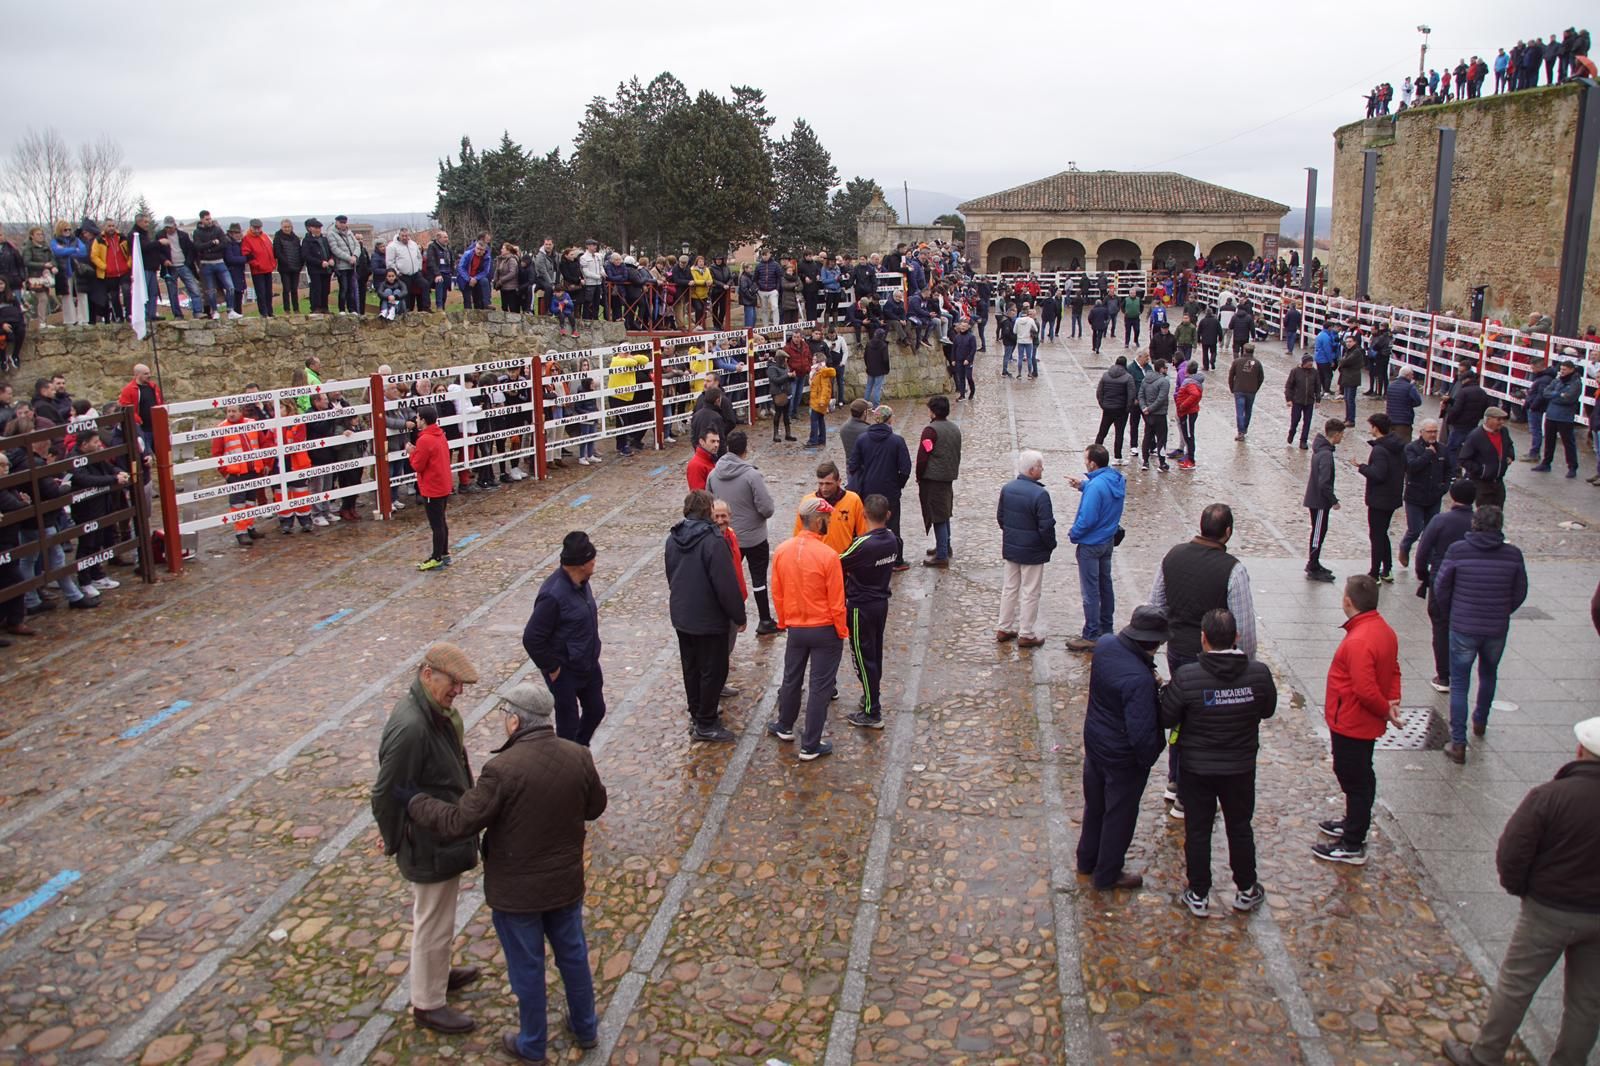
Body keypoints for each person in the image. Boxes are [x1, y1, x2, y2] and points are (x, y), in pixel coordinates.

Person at [403, 680, 607, 1062]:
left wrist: (415, 802)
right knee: (574, 958)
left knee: (527, 968)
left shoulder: (501, 769)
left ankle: (532, 1044)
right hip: (565, 884)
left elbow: (458, 822)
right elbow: (595, 807)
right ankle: (585, 1027)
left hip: (518, 894)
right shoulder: (578, 755)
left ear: (514, 722)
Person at [1439, 716, 1600, 1066]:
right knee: (1587, 1001)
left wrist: (1521, 888)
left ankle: (1485, 1054)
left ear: (1579, 751)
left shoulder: (1550, 796)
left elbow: (1513, 851)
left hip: (1548, 909)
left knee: (1516, 985)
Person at [370, 642, 484, 1035]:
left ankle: (437, 973)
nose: (459, 691)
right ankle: (428, 1002)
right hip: (427, 837)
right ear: (427, 675)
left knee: (440, 916)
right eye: (453, 683)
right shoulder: (413, 726)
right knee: (432, 920)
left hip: (439, 833)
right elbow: (385, 791)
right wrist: (392, 838)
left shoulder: (434, 712)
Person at [1160, 608, 1277, 917]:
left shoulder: (1187, 676)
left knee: (1197, 830)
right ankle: (1246, 888)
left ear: (1204, 639)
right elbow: (1267, 710)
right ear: (1236, 637)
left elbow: (1166, 716)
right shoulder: (1259, 674)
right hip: (1240, 767)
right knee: (1239, 827)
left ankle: (1198, 893)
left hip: (1197, 768)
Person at [1146, 503, 1258, 813]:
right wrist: (1244, 662)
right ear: (1228, 532)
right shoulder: (1233, 569)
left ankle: (1174, 778)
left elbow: (1156, 604)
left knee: (1181, 713)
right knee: (1203, 722)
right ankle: (1186, 789)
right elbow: (1244, 623)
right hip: (1214, 657)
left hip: (1179, 649)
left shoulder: (1173, 556)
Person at [1076, 605, 1171, 890]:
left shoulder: (1105, 645)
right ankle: (1107, 874)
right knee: (1119, 815)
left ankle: (1086, 860)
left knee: (1095, 807)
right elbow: (1140, 733)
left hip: (1096, 745)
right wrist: (1147, 759)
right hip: (1122, 758)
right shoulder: (1139, 681)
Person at [1313, 576, 1401, 866]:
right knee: (1360, 774)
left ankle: (1352, 841)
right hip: (1357, 720)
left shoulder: (1360, 640)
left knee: (1354, 777)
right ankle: (1353, 823)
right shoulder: (1383, 631)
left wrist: (1385, 709)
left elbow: (1364, 690)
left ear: (1348, 602)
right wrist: (1392, 701)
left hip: (1352, 721)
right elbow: (1393, 670)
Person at [1433, 505, 1528, 763]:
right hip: (1495, 627)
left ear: (1474, 524)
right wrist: (1502, 609)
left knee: (1460, 684)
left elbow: (1441, 587)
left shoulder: (1458, 550)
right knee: (1488, 674)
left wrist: (1453, 611)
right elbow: (1520, 591)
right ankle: (1481, 720)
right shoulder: (1512, 555)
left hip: (1464, 625)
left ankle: (1459, 743)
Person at [767, 495, 849, 761]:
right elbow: (837, 600)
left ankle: (785, 725)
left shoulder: (782, 550)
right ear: (817, 520)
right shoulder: (828, 555)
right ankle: (810, 743)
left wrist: (783, 621)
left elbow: (777, 592)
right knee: (819, 687)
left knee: (792, 678)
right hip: (824, 628)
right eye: (826, 519)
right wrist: (842, 630)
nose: (829, 523)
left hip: (796, 627)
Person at [665, 490, 746, 743]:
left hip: (682, 614)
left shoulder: (673, 538)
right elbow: (725, 584)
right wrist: (738, 614)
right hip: (709, 619)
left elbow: (671, 573)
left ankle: (697, 714)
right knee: (713, 670)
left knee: (691, 668)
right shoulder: (713, 541)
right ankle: (707, 722)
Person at [522, 532, 606, 746]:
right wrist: (552, 667)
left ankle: (578, 749)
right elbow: (532, 638)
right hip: (565, 670)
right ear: (581, 564)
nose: (595, 562)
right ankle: (568, 761)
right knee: (567, 725)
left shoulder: (583, 582)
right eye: (591, 559)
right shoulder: (553, 596)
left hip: (587, 663)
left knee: (596, 709)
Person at [706, 430, 779, 636]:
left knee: (726, 578)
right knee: (758, 579)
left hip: (726, 536)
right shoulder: (751, 475)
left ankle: (724, 617)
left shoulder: (713, 474)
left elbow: (709, 503)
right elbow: (767, 508)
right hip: (753, 536)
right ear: (745, 449)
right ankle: (764, 619)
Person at [840, 493, 899, 729]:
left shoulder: (864, 544)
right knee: (875, 653)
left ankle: (872, 711)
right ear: (888, 515)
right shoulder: (892, 540)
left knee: (862, 657)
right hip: (880, 603)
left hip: (860, 605)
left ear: (864, 515)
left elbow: (838, 560)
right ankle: (871, 694)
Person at [1064, 444, 1126, 652]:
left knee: (1090, 591)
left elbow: (1087, 519)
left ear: (1092, 463)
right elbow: (1103, 494)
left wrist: (1074, 534)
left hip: (1091, 544)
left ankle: (1091, 634)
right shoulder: (1116, 480)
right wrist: (1082, 485)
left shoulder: (1095, 487)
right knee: (1105, 585)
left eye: (1086, 460)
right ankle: (1106, 629)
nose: (1085, 463)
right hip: (1107, 541)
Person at [995, 449, 1057, 649]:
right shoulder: (1040, 494)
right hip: (1033, 550)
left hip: (1012, 547)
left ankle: (1004, 626)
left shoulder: (1008, 488)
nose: (1042, 469)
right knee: (1030, 591)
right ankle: (1026, 633)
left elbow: (1001, 518)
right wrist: (1050, 545)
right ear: (1032, 470)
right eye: (1040, 466)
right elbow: (1046, 526)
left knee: (1010, 588)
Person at [848, 405, 912, 570]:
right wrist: (898, 484)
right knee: (893, 524)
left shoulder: (862, 439)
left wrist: (863, 477)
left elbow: (853, 464)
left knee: (869, 524)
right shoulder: (897, 441)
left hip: (868, 489)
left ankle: (870, 558)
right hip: (890, 489)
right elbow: (905, 468)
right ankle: (896, 560)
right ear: (889, 419)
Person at [1356, 413, 1406, 583]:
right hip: (1392, 496)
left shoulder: (1379, 450)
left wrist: (1361, 467)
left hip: (1379, 499)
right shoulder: (1397, 446)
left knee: (1376, 535)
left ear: (1376, 428)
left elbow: (1378, 474)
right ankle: (1387, 569)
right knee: (1383, 533)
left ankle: (1375, 572)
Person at [916, 396, 962, 567]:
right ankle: (945, 546)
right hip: (948, 476)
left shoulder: (931, 431)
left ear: (933, 412)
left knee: (938, 516)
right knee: (944, 512)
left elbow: (923, 456)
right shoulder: (954, 428)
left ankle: (942, 554)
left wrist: (919, 476)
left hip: (933, 479)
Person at [406, 406, 453, 571]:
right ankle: (445, 553)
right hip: (443, 483)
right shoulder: (439, 435)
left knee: (436, 524)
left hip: (432, 487)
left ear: (423, 420)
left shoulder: (424, 439)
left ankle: (436, 556)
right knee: (441, 520)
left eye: (418, 418)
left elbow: (418, 465)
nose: (416, 420)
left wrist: (411, 453)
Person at [1398, 420, 1450, 569]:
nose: (1433, 434)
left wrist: (1444, 487)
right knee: (1415, 529)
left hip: (1434, 496)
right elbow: (1411, 467)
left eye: (1435, 431)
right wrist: (1427, 454)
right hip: (1415, 496)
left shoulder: (1443, 449)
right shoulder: (1412, 448)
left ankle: (1427, 560)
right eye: (1429, 431)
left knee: (1431, 532)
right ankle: (1405, 547)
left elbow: (1449, 469)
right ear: (1421, 432)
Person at [1304, 419, 1346, 582]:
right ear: (1335, 435)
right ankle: (1313, 564)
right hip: (1319, 501)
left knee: (1319, 531)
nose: (1342, 438)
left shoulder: (1321, 450)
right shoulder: (1326, 455)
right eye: (1341, 434)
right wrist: (1333, 500)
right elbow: (1324, 482)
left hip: (1317, 499)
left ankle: (1315, 562)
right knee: (1318, 533)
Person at [1532, 357, 1584, 477]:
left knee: (1568, 443)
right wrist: (1558, 394)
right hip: (1551, 415)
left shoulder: (1576, 383)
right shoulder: (1557, 380)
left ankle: (1572, 467)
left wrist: (1554, 396)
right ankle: (1546, 463)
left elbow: (1569, 398)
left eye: (1565, 369)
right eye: (1561, 369)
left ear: (1571, 369)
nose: (1562, 371)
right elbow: (1546, 393)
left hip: (1565, 417)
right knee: (1549, 441)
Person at [1458, 406, 1515, 510]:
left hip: (1498, 482)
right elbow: (1463, 459)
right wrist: (1481, 470)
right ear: (1488, 419)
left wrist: (1510, 456)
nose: (1502, 422)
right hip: (1482, 483)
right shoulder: (1475, 436)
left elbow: (1509, 445)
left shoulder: (1504, 432)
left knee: (1498, 513)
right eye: (1498, 419)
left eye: (1503, 419)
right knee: (1485, 515)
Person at [1095, 356, 1138, 465]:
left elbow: (1099, 392)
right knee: (1119, 434)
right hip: (1121, 410)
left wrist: (1103, 404)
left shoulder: (1105, 375)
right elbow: (1131, 395)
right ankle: (1117, 457)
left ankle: (1094, 454)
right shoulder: (1128, 377)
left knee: (1102, 432)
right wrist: (1127, 409)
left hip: (1107, 409)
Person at [1138, 359, 1172, 472]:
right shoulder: (1164, 382)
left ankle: (1145, 461)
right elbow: (1161, 399)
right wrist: (1150, 408)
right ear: (1161, 369)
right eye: (1165, 367)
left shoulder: (1145, 379)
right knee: (1161, 439)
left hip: (1148, 415)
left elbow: (1141, 395)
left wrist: (1144, 408)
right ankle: (1162, 463)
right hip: (1159, 414)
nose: (1167, 370)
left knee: (1147, 437)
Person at [1227, 342, 1264, 441]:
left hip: (1239, 390)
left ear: (1244, 350)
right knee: (1248, 411)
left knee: (1239, 412)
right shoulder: (1257, 363)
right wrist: (1256, 388)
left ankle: (1240, 432)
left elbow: (1231, 376)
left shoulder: (1237, 362)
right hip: (1251, 391)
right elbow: (1261, 378)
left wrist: (1232, 388)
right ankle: (1245, 428)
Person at [1285, 353, 1320, 449]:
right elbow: (1289, 386)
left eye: (1311, 363)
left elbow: (1317, 386)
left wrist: (1318, 400)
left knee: (1307, 421)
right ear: (1304, 363)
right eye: (1309, 363)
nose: (1310, 365)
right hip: (1297, 401)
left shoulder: (1315, 372)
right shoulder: (1295, 371)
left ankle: (1303, 441)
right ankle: (1292, 432)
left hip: (1309, 401)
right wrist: (1289, 399)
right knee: (1295, 420)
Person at [301, 219, 334, 314]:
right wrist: (320, 262)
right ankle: (316, 308)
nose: (318, 230)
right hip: (315, 269)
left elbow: (329, 251)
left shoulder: (324, 239)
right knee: (316, 289)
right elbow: (306, 256)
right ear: (309, 228)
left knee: (326, 289)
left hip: (326, 269)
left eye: (319, 228)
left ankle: (325, 307)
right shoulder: (307, 240)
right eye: (315, 228)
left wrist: (331, 259)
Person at [805, 352, 836, 448]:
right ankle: (821, 439)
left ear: (818, 361)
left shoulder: (822, 372)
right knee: (820, 419)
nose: (812, 361)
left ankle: (813, 440)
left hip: (818, 401)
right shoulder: (817, 371)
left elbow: (825, 388)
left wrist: (822, 401)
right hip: (817, 399)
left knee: (814, 420)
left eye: (814, 359)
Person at [1385, 365, 1422, 443]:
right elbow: (1418, 401)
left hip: (1390, 419)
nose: (1413, 377)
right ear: (1407, 375)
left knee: (1391, 444)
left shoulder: (1391, 386)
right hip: (1404, 421)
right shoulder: (1409, 387)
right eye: (1412, 375)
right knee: (1404, 446)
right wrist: (1408, 404)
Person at [686, 424, 719, 491]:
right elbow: (699, 496)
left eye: (718, 441)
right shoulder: (695, 465)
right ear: (702, 442)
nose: (716, 445)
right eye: (712, 441)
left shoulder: (711, 458)